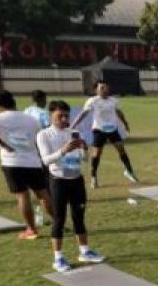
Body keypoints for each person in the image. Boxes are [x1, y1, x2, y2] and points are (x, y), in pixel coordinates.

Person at [35, 100, 106, 272]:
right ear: (51, 115)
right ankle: (58, 258)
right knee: (59, 219)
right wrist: (63, 151)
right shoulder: (44, 135)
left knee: (79, 216)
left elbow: (84, 159)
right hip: (58, 180)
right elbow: (45, 160)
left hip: (76, 179)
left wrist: (84, 149)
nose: (64, 118)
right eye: (60, 115)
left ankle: (85, 251)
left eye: (67, 115)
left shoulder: (73, 131)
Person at [0, 90, 53, 240]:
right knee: (43, 194)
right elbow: (37, 139)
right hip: (33, 162)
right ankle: (59, 222)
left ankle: (31, 230)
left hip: (12, 163)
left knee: (22, 196)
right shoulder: (30, 119)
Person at [71, 81, 138, 188]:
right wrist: (73, 125)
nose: (105, 89)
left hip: (113, 130)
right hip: (99, 130)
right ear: (96, 90)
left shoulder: (114, 100)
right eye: (102, 88)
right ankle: (94, 177)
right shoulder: (92, 101)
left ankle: (129, 172)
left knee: (121, 150)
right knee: (97, 154)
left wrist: (125, 123)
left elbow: (119, 112)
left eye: (106, 87)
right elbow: (84, 113)